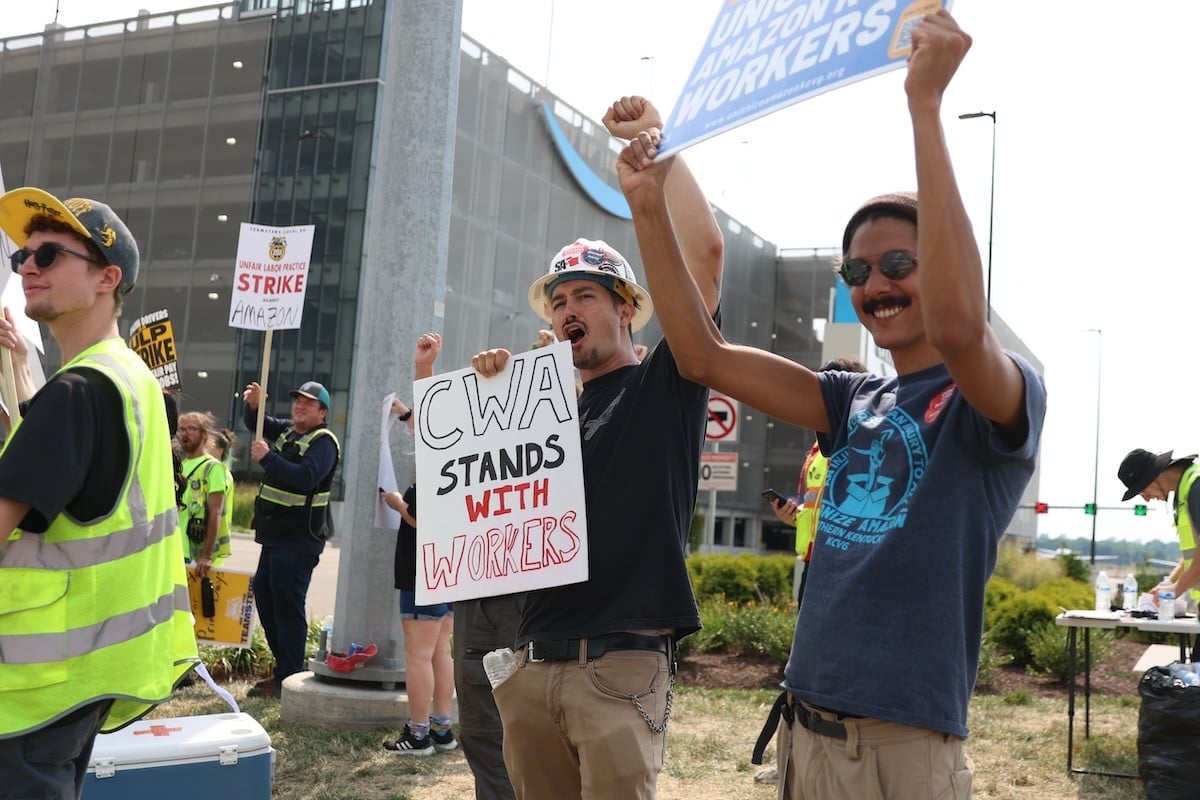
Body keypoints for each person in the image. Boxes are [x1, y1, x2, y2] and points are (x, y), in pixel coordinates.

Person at [612, 12, 1047, 799]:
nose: (875, 286)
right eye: (857, 271)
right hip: (804, 730)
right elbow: (703, 355)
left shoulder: (995, 395)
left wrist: (924, 108)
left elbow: (958, 325)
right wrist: (649, 202)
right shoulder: (850, 399)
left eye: (899, 263)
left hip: (902, 746)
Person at [469, 94, 723, 800]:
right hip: (532, 667)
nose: (568, 310)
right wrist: (493, 400)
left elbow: (704, 258)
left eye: (584, 295)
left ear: (626, 309)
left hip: (616, 671)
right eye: (558, 301)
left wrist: (654, 146)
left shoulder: (665, 386)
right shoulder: (544, 415)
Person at [0, 187, 197, 798]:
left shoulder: (78, 392)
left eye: (50, 256)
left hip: (30, 691)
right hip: (83, 681)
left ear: (107, 278)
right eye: (21, 257)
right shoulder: (131, 379)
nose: (28, 267)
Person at [380, 332, 458, 756]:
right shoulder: (461, 457)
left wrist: (396, 504)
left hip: (422, 567)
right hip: (448, 568)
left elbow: (421, 519)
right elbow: (426, 425)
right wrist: (415, 389)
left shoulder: (437, 464)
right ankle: (443, 730)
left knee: (418, 654)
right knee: (439, 651)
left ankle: (419, 733)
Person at [241, 378, 341, 698]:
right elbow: (258, 424)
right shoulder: (289, 430)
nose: (299, 406)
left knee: (287, 604)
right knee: (267, 596)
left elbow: (306, 478)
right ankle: (284, 669)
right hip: (275, 536)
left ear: (322, 413)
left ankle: (290, 676)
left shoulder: (323, 442)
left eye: (308, 403)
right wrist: (255, 405)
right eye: (298, 400)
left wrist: (268, 458)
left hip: (298, 540)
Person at [768, 357, 868, 606]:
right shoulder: (817, 449)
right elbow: (820, 506)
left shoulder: (866, 446)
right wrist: (795, 516)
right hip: (813, 561)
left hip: (846, 564)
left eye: (824, 394)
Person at [1117, 448, 1200, 604]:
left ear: (1152, 476)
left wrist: (1175, 590)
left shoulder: (1196, 487)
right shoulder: (1184, 491)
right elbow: (1193, 554)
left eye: (1142, 491)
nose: (1147, 499)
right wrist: (1168, 583)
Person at [176, 410, 232, 575]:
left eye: (191, 429)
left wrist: (206, 555)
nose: (185, 434)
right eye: (182, 429)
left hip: (194, 553)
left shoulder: (213, 468)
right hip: (176, 548)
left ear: (204, 434)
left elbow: (215, 512)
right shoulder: (180, 466)